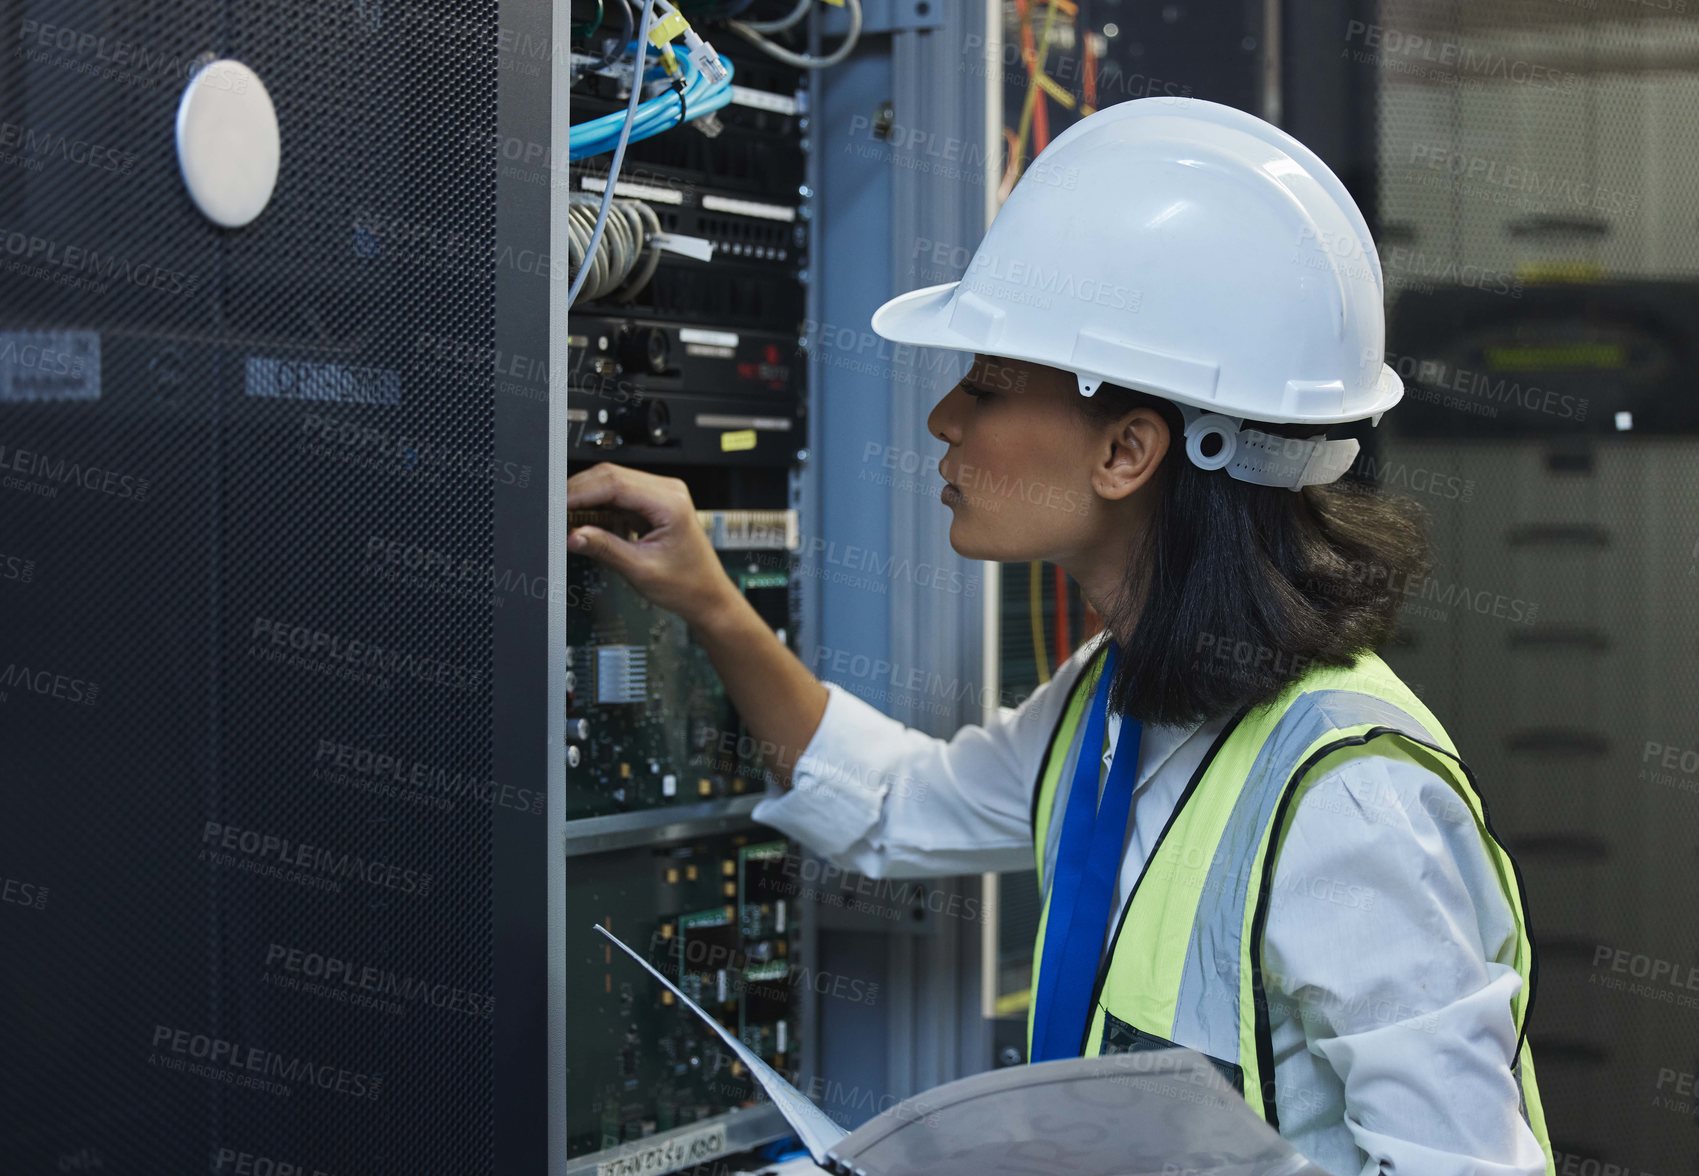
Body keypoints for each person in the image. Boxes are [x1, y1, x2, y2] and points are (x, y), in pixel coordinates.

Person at [566, 97, 1555, 1176]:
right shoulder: (1116, 700)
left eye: (987, 386)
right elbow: (899, 806)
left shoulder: (1343, 798)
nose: (944, 420)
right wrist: (713, 602)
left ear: (1126, 452)